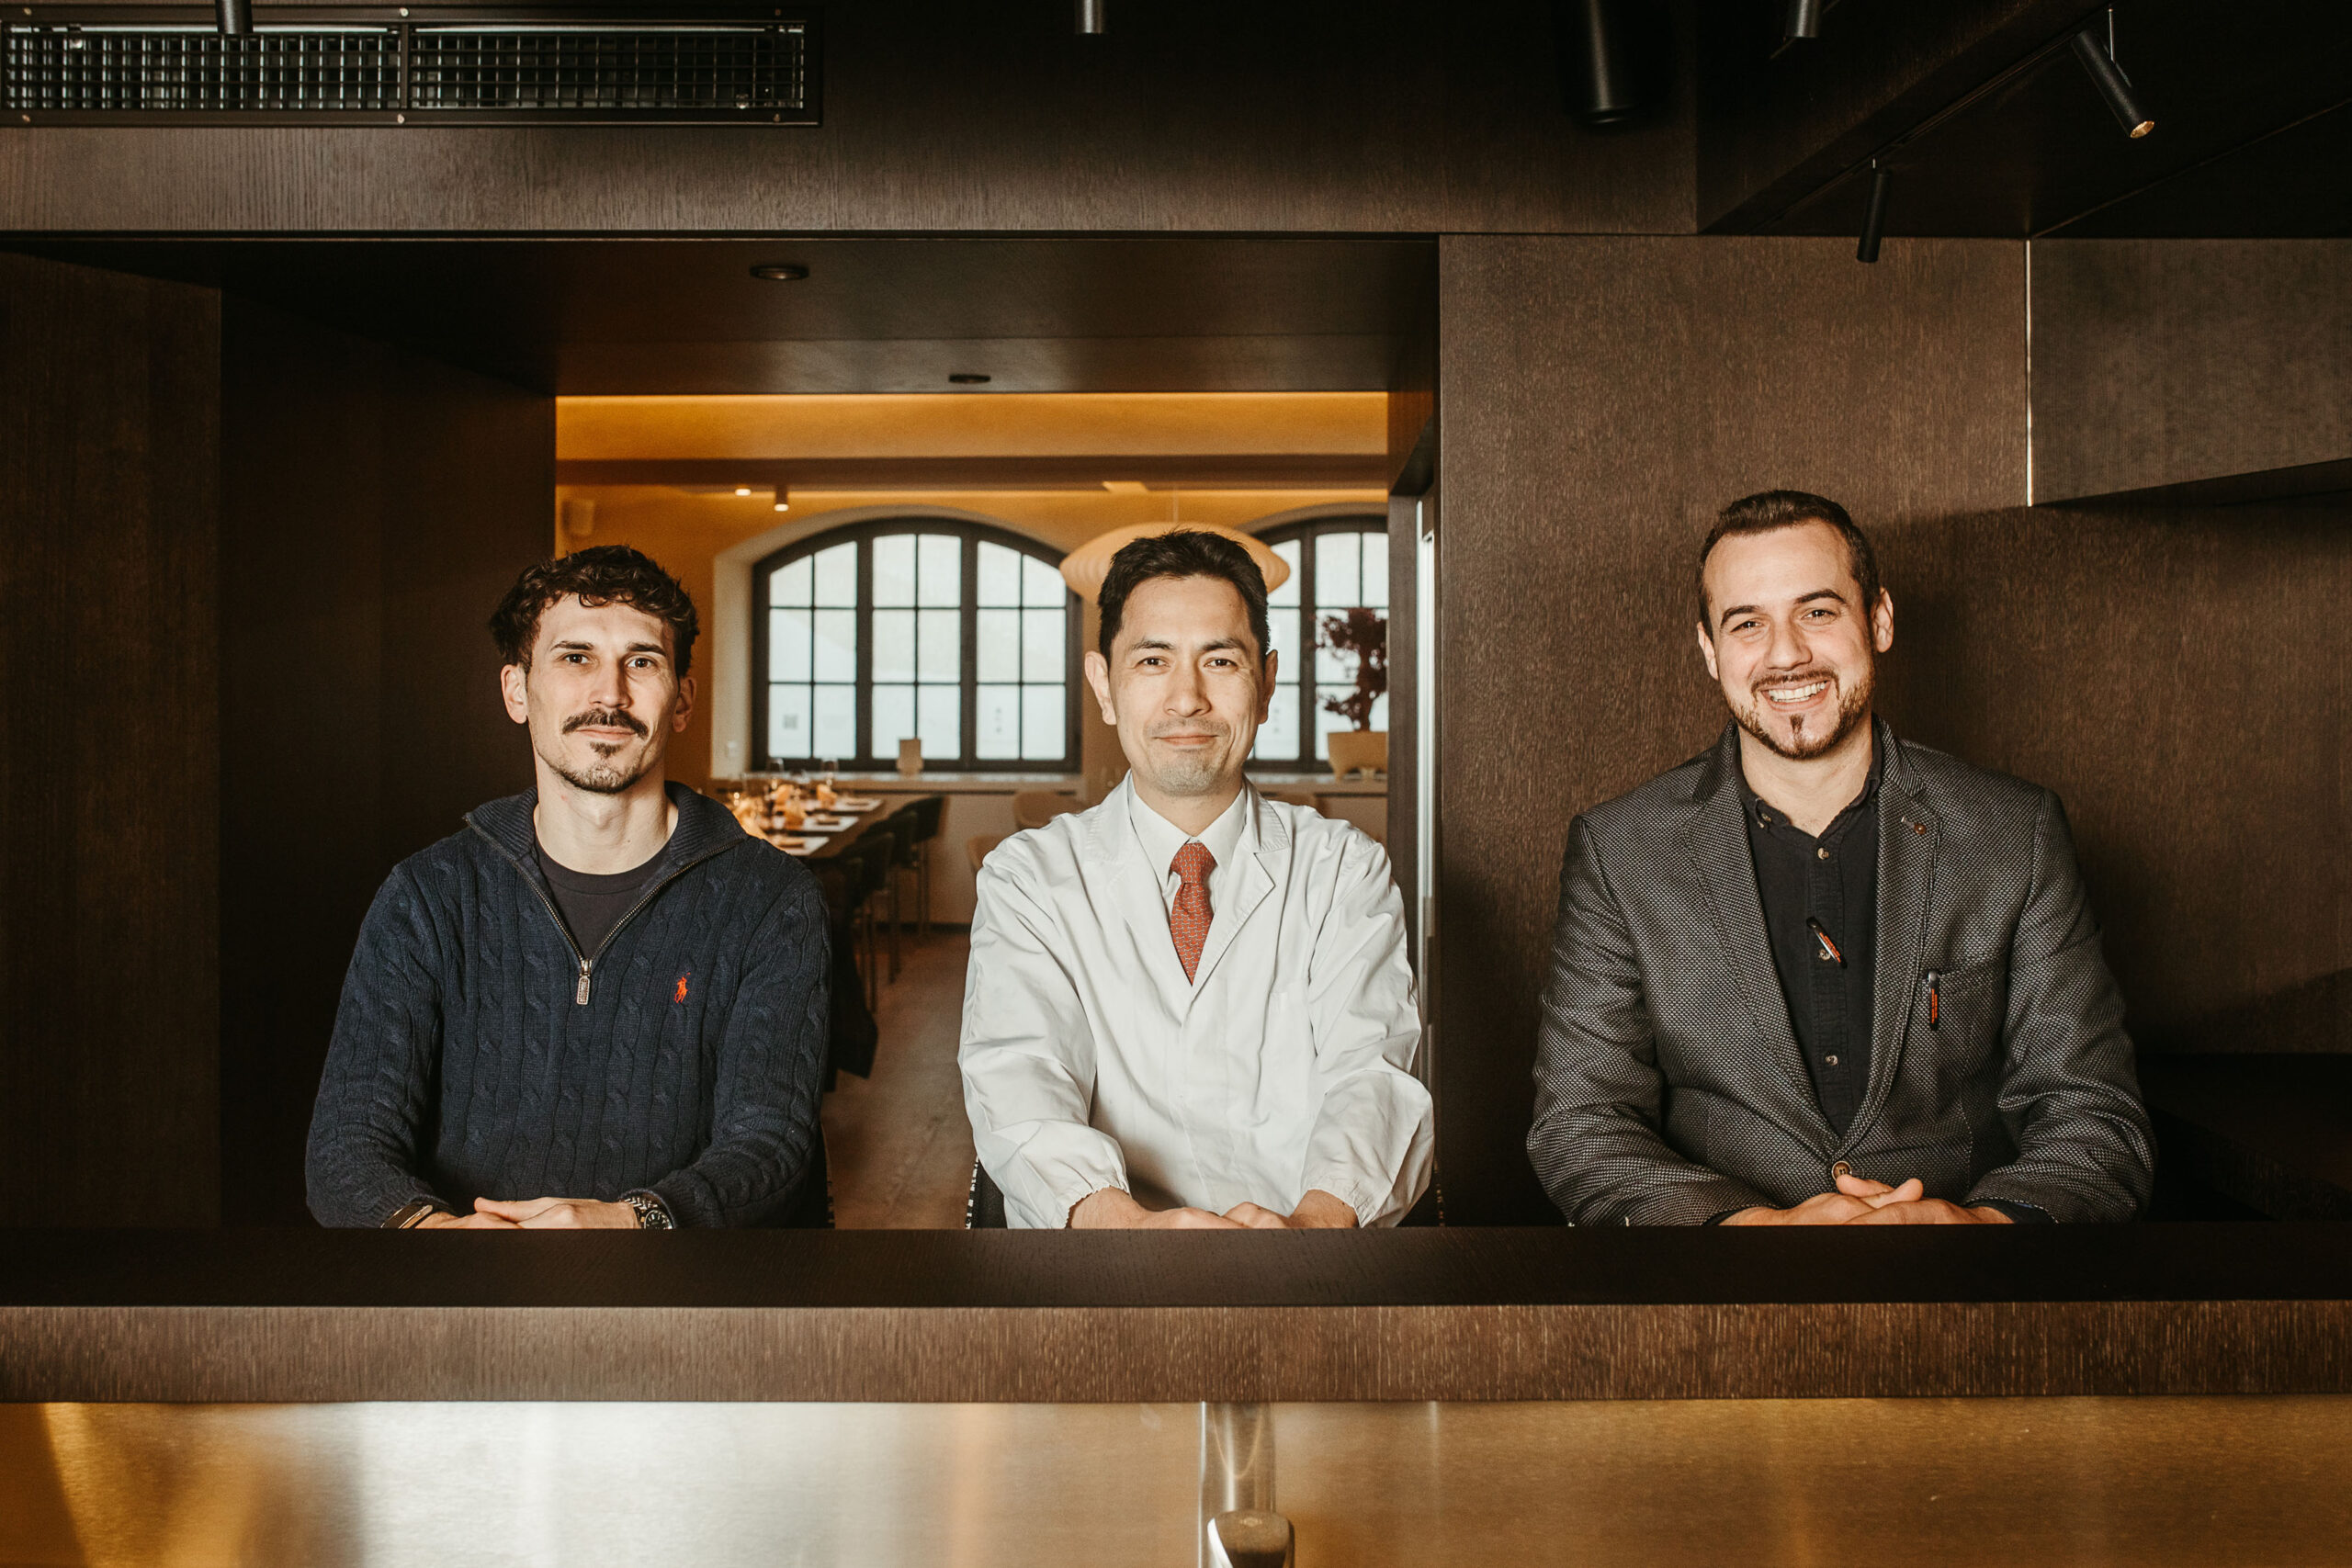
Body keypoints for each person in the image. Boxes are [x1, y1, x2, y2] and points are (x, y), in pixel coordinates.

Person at [1527, 491, 2153, 1226]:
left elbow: (2095, 1116)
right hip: (1724, 1282)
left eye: (1817, 611)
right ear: (1709, 650)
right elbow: (1581, 1123)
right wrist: (1761, 1231)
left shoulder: (2016, 832)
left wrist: (1974, 1226)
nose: (1786, 652)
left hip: (1963, 1282)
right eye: (1748, 623)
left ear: (1878, 619)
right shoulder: (1620, 851)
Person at [305, 546, 829, 1230]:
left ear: (682, 700)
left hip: (682, 1287)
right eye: (576, 657)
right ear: (517, 692)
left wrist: (631, 1223)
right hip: (466, 1284)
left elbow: (770, 1146)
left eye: (642, 661)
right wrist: (438, 1235)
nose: (609, 694)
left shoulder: (772, 900)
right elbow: (345, 1146)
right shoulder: (427, 896)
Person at [960, 530, 1432, 1229]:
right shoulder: (1028, 879)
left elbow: (1375, 1077)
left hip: (1307, 1262)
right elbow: (1019, 1080)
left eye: (1220, 660)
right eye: (1153, 660)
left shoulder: (1343, 870)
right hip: (1098, 1266)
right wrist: (1129, 1231)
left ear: (1265, 684)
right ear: (1105, 685)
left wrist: (1310, 1232)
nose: (1187, 698)